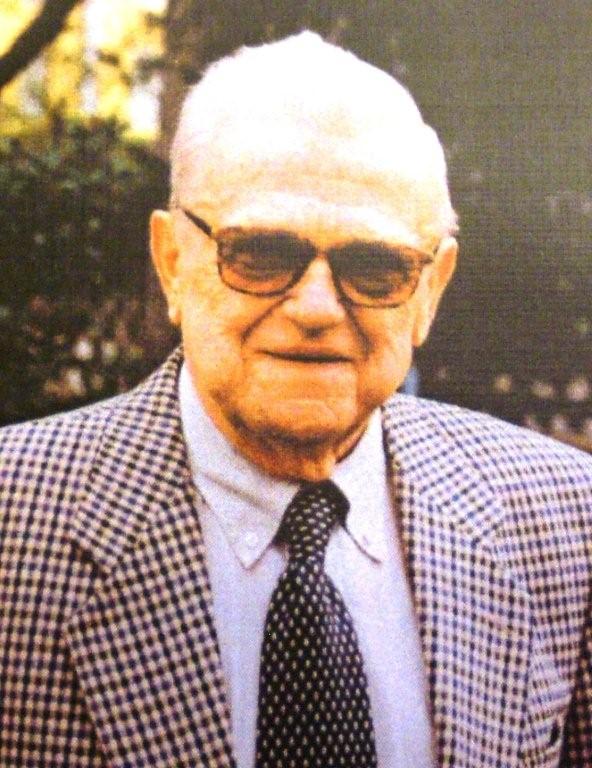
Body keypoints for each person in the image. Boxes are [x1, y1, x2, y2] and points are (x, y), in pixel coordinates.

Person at [0, 32, 590, 768]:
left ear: (430, 291)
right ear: (173, 263)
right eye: (261, 254)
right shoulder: (13, 525)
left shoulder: (565, 524)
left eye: (373, 266)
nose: (315, 307)